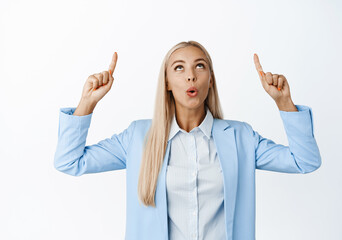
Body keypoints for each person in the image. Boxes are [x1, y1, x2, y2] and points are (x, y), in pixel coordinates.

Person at [54, 40, 322, 240]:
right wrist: (86, 104)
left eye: (200, 66)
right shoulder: (137, 138)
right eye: (179, 68)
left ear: (210, 79)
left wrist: (284, 103)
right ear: (168, 82)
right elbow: (69, 161)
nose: (191, 75)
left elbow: (305, 162)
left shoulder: (241, 138)